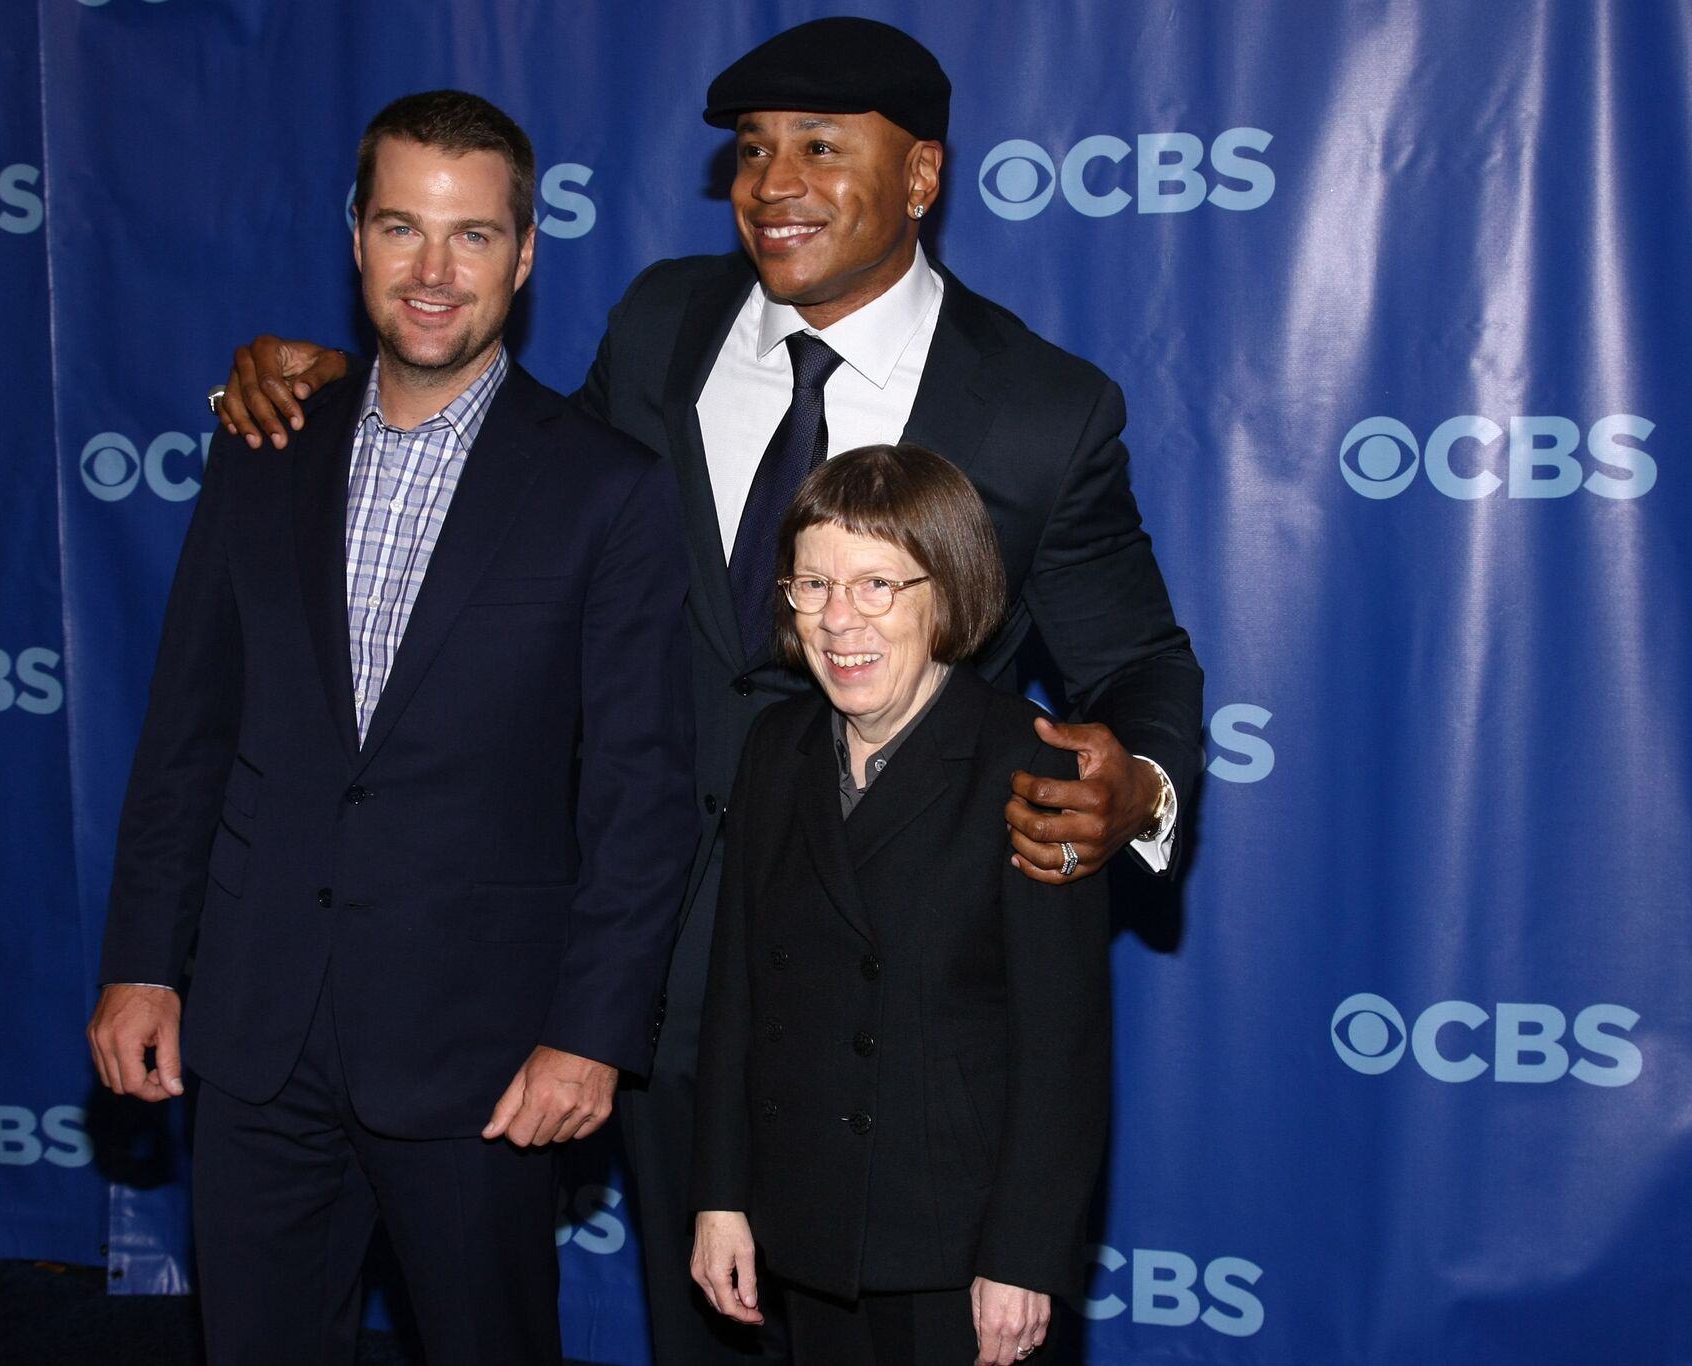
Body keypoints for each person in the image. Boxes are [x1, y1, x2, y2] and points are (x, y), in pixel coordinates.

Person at [213, 18, 1201, 1362]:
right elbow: (520, 493)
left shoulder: (1041, 407)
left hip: (895, 997)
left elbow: (1140, 660)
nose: (772, 182)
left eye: (818, 148)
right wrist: (373, 386)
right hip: (659, 977)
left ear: (922, 178)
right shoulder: (663, 323)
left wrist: (1135, 786)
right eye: (749, 150)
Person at [86, 90, 693, 1366]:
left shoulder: (608, 490)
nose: (431, 272)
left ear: (523, 257)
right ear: (353, 237)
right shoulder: (263, 444)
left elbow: (640, 795)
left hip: (477, 1055)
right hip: (253, 1031)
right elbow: (188, 732)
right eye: (401, 227)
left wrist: (590, 1032)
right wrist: (145, 956)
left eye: (471, 236)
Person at [689, 445, 1110, 1366]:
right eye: (813, 586)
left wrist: (1022, 1257)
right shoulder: (775, 747)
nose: (840, 621)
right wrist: (720, 1196)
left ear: (948, 594)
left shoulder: (1030, 767)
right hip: (803, 1223)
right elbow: (736, 995)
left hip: (954, 1249)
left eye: (878, 585)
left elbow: (1061, 1044)